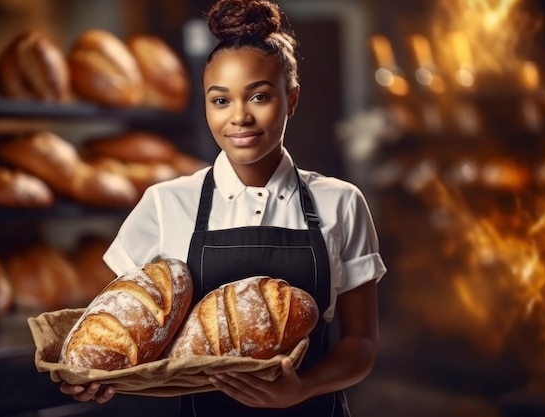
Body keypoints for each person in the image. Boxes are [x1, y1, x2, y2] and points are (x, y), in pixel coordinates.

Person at [57, 0, 387, 415]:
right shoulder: (167, 202)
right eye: (221, 100)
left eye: (259, 96)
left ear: (293, 98)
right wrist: (101, 379)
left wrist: (302, 388)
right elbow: (119, 326)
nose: (240, 118)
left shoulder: (341, 202)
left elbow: (361, 343)